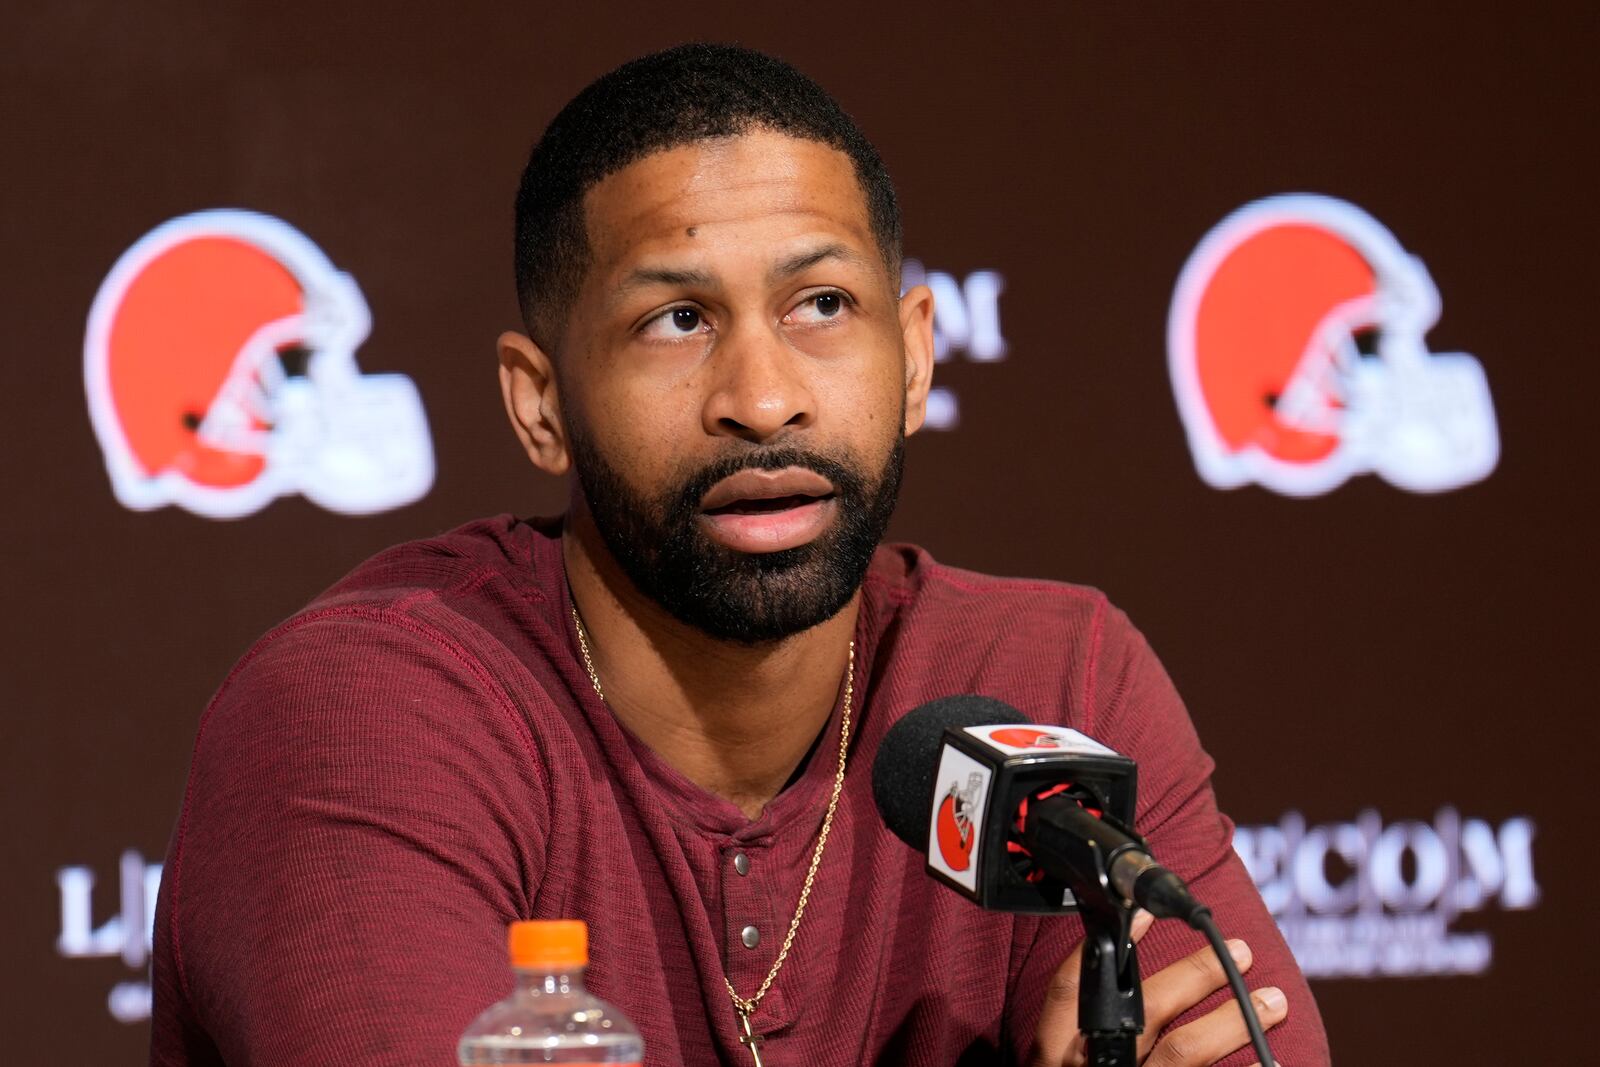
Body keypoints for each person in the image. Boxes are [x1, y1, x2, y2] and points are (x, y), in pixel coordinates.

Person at [149, 43, 1331, 1067]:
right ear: (539, 402)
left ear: (915, 355)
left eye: (821, 304)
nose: (764, 400)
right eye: (677, 320)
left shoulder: (1054, 676)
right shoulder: (365, 709)